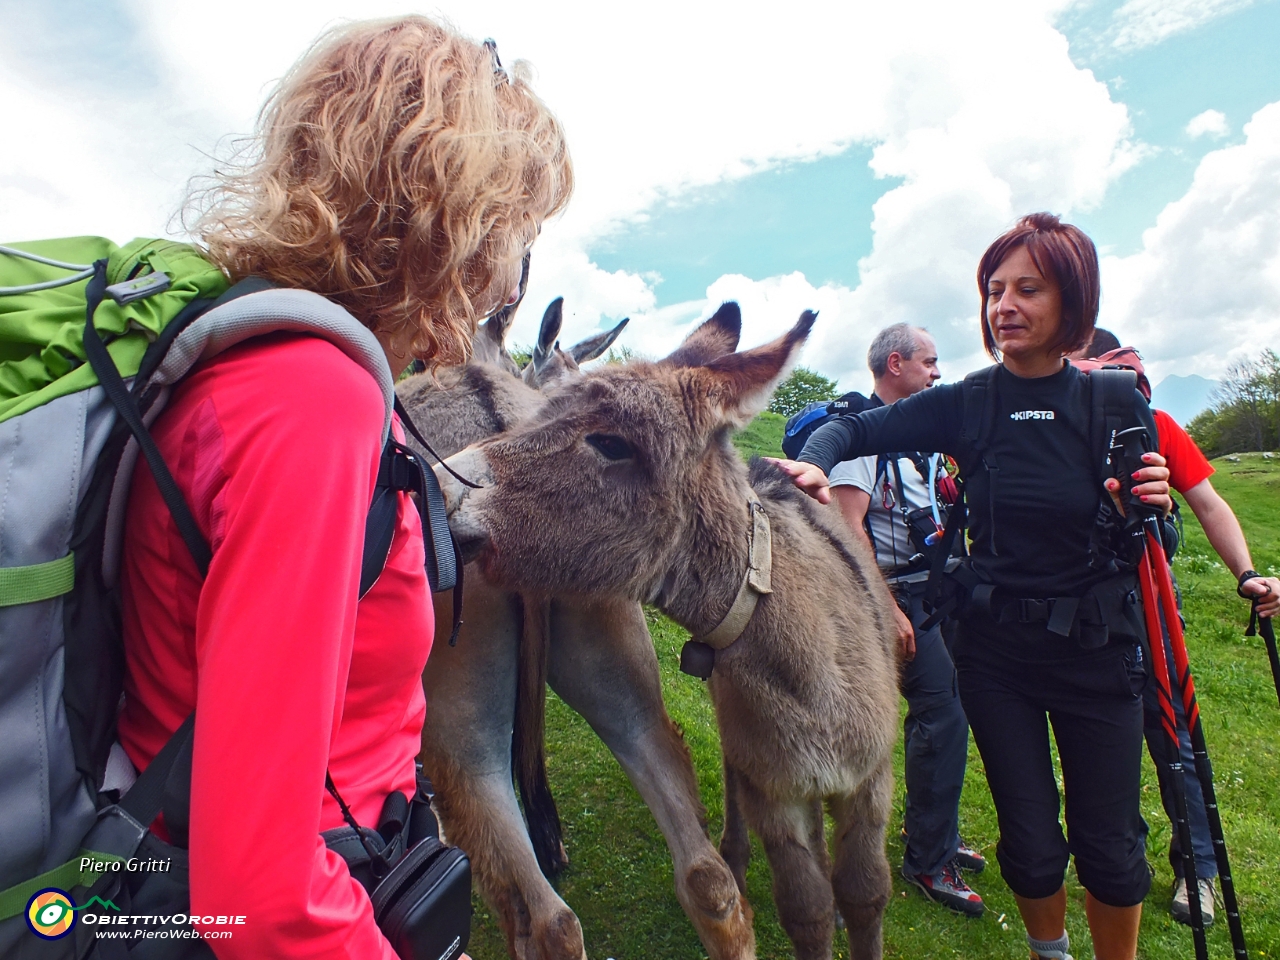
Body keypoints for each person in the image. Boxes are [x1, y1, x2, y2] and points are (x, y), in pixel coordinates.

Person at [117, 17, 571, 957]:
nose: (514, 272)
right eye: (518, 226)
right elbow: (261, 886)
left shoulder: (258, 356)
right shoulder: (312, 401)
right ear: (456, 217)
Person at [771, 212, 1176, 960]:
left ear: (1072, 302)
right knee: (1028, 836)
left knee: (1111, 844)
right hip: (996, 658)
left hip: (1098, 652)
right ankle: (1047, 953)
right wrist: (817, 464)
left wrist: (1154, 504)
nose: (1005, 305)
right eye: (994, 290)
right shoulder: (969, 400)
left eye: (1029, 288)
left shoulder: (1115, 402)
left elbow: (1158, 540)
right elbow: (852, 428)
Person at [1075, 329, 1280, 926]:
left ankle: (1198, 869)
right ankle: (1125, 854)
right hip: (1072, 614)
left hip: (1146, 603)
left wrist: (1247, 574)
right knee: (1104, 744)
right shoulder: (1039, 423)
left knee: (1174, 738)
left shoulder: (1153, 422)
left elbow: (1206, 501)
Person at [828, 323, 986, 916]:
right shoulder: (858, 437)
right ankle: (928, 858)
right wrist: (887, 609)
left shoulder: (916, 434)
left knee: (950, 713)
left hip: (932, 593)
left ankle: (935, 835)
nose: (938, 373)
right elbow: (846, 528)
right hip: (894, 597)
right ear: (895, 364)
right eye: (930, 361)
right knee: (941, 716)